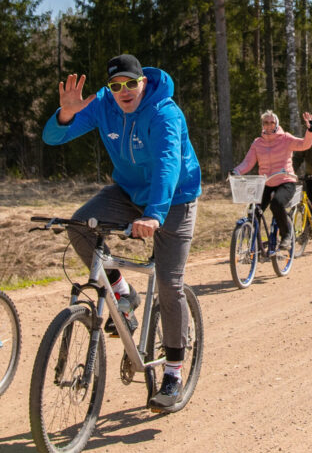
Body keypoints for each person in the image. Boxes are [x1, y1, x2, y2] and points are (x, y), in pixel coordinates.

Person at [42, 54, 201, 412]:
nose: (124, 91)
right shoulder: (102, 105)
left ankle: (173, 372)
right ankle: (122, 293)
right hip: (128, 192)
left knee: (169, 285)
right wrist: (66, 113)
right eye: (116, 86)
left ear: (143, 81)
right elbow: (52, 138)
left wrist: (155, 215)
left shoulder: (165, 113)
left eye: (131, 83)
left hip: (174, 199)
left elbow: (167, 165)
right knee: (80, 226)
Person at [233, 109, 312, 242]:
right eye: (266, 122)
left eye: (272, 122)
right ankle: (254, 245)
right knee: (253, 211)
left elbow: (304, 144)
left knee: (277, 204)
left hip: (285, 181)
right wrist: (236, 172)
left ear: (276, 124)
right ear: (262, 125)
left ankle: (286, 235)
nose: (269, 125)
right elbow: (248, 162)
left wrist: (311, 130)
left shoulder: (286, 139)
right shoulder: (257, 143)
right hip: (266, 183)